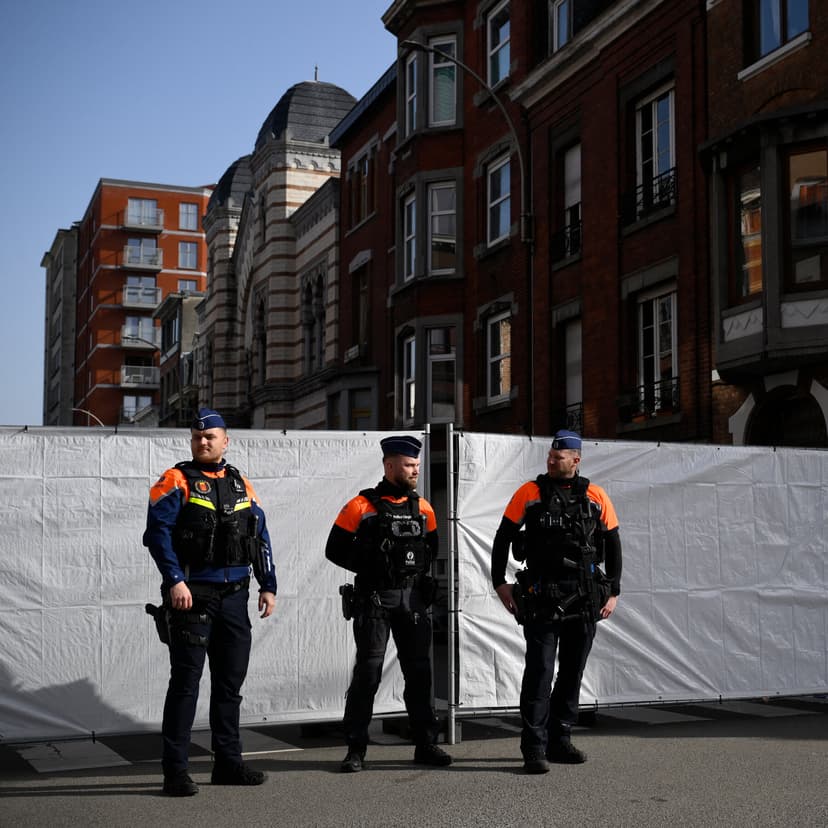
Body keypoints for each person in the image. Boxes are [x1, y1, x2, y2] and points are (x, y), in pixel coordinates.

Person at [143, 408, 277, 796]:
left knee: (229, 685)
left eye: (211, 437)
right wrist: (175, 580)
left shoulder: (241, 483)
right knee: (185, 685)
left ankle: (229, 764)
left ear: (225, 440)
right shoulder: (175, 480)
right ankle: (175, 772)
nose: (204, 442)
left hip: (236, 597)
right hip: (192, 597)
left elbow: (260, 536)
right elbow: (157, 535)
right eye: (198, 437)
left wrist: (269, 585)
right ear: (192, 440)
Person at [490, 429, 621, 774]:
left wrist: (615, 591)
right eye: (549, 455)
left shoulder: (595, 495)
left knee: (573, 671)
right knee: (540, 670)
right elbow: (503, 537)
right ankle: (533, 747)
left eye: (558, 456)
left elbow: (614, 542)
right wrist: (499, 583)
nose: (551, 460)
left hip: (584, 595)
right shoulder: (530, 492)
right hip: (543, 595)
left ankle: (559, 739)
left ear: (576, 460)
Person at [326, 435, 452, 773]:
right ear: (390, 465)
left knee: (420, 673)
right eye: (409, 465)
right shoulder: (361, 506)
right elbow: (334, 550)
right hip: (375, 601)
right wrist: (372, 562)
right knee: (367, 673)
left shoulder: (423, 507)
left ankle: (426, 744)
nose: (415, 471)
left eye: (417, 465)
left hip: (412, 601)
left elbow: (430, 549)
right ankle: (355, 749)